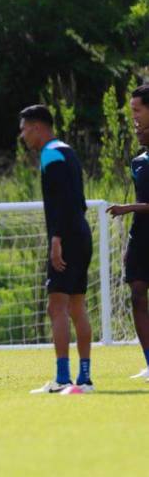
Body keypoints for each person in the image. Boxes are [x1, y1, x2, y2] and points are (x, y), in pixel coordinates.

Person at [19, 105, 94, 395]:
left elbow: (62, 200)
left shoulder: (51, 154)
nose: (22, 135)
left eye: (24, 128)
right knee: (76, 305)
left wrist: (57, 238)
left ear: (37, 127)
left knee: (57, 306)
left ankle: (63, 379)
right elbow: (78, 199)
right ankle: (84, 378)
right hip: (81, 232)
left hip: (67, 236)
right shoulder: (68, 151)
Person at [107, 84, 149, 379]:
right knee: (136, 295)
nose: (133, 117)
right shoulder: (138, 161)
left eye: (137, 110)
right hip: (142, 238)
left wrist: (127, 208)